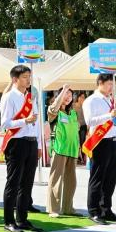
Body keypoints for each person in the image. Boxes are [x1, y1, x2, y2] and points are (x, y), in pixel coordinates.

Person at [0, 64, 40, 232]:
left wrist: (38, 144)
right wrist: (24, 121)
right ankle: (9, 220)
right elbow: (5, 123)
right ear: (15, 79)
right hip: (16, 143)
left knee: (27, 183)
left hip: (31, 142)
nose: (28, 80)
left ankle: (22, 219)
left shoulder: (30, 96)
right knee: (13, 182)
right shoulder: (9, 97)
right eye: (24, 77)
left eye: (29, 76)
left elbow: (36, 121)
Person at [84, 73, 116, 225]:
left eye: (113, 86)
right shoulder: (91, 100)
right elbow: (89, 121)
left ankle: (106, 209)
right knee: (97, 178)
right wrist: (109, 115)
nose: (111, 88)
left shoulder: (111, 100)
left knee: (110, 179)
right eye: (109, 84)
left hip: (112, 142)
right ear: (100, 83)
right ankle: (94, 211)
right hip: (99, 143)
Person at [47, 86, 79, 216]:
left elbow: (75, 132)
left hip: (72, 150)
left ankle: (68, 208)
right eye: (65, 94)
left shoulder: (73, 113)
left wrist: (79, 148)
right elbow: (54, 108)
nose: (68, 97)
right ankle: (53, 209)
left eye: (70, 95)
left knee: (71, 182)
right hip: (59, 149)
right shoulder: (53, 111)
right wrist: (63, 90)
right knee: (56, 180)